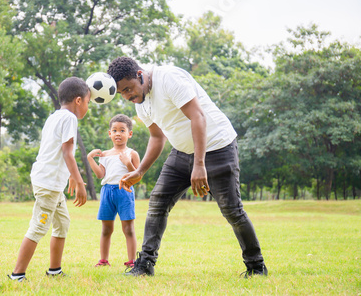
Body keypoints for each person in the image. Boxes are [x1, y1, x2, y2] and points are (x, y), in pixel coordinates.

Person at [107, 56, 267, 278]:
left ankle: (256, 267)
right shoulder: (141, 101)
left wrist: (200, 164)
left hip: (218, 147)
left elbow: (197, 117)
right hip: (182, 153)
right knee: (158, 202)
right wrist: (140, 170)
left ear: (140, 75)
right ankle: (145, 265)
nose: (128, 96)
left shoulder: (169, 78)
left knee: (232, 210)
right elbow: (156, 137)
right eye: (122, 93)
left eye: (128, 89)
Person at [8, 77, 90, 282]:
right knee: (38, 227)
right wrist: (80, 182)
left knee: (62, 223)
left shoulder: (54, 116)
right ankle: (17, 275)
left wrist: (70, 175)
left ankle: (54, 270)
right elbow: (67, 153)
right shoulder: (70, 118)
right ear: (78, 100)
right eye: (88, 102)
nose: (88, 107)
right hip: (49, 185)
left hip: (50, 182)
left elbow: (58, 150)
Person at [87, 114, 141, 268]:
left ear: (129, 134)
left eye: (122, 130)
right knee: (106, 229)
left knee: (128, 228)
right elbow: (100, 175)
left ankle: (132, 261)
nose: (118, 133)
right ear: (109, 133)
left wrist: (128, 163)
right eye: (115, 130)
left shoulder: (132, 154)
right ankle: (103, 260)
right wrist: (90, 159)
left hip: (125, 191)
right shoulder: (104, 154)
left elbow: (137, 176)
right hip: (107, 192)